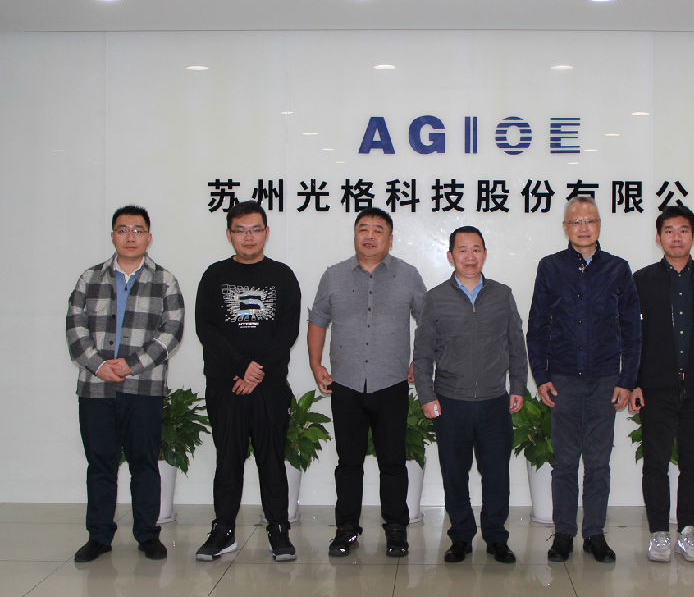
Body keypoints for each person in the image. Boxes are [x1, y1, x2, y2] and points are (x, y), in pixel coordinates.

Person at [66, 205, 185, 562]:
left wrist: (130, 366)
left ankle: (148, 535)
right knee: (100, 464)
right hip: (96, 388)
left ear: (149, 237)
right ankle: (99, 536)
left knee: (144, 463)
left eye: (138, 230)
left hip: (143, 388)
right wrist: (99, 366)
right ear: (112, 236)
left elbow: (171, 333)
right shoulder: (90, 278)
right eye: (123, 230)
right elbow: (75, 328)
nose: (130, 236)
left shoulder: (164, 280)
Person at [527, 195, 641, 563]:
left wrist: (626, 380)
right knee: (564, 462)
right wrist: (541, 376)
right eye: (575, 222)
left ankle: (594, 533)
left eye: (589, 220)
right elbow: (537, 327)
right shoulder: (550, 267)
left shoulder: (617, 269)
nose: (583, 227)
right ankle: (563, 533)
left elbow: (632, 331)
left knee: (598, 462)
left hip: (605, 379)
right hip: (563, 378)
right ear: (565, 227)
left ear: (599, 225)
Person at [308, 207, 426, 558]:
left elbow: (429, 320)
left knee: (393, 461)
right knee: (348, 463)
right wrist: (315, 363)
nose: (370, 236)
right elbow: (318, 319)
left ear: (390, 238)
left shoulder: (408, 275)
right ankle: (346, 528)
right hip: (345, 384)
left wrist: (420, 360)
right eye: (363, 229)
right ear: (355, 235)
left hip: (390, 383)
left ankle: (396, 528)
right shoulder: (334, 275)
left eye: (378, 229)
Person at [413, 226, 527, 564]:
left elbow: (516, 346)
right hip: (451, 402)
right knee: (454, 474)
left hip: (494, 402)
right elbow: (422, 353)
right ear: (451, 256)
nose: (469, 256)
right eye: (462, 250)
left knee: (496, 475)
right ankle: (461, 537)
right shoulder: (436, 298)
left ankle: (496, 538)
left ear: (485, 254)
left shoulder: (502, 295)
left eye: (476, 249)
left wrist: (517, 386)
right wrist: (426, 395)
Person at [194, 201, 301, 562]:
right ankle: (223, 530)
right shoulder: (214, 275)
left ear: (266, 233)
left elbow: (287, 331)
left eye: (255, 229)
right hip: (226, 385)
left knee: (272, 460)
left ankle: (278, 529)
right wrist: (242, 368)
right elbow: (206, 329)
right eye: (240, 230)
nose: (248, 237)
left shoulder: (283, 276)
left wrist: (258, 372)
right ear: (229, 235)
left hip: (269, 387)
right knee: (228, 460)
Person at [630, 206, 694, 563]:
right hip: (656, 387)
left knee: (693, 463)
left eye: (683, 230)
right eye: (669, 231)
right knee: (655, 463)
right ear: (659, 238)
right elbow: (632, 336)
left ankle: (688, 531)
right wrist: (634, 382)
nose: (676, 237)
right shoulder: (642, 280)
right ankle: (659, 532)